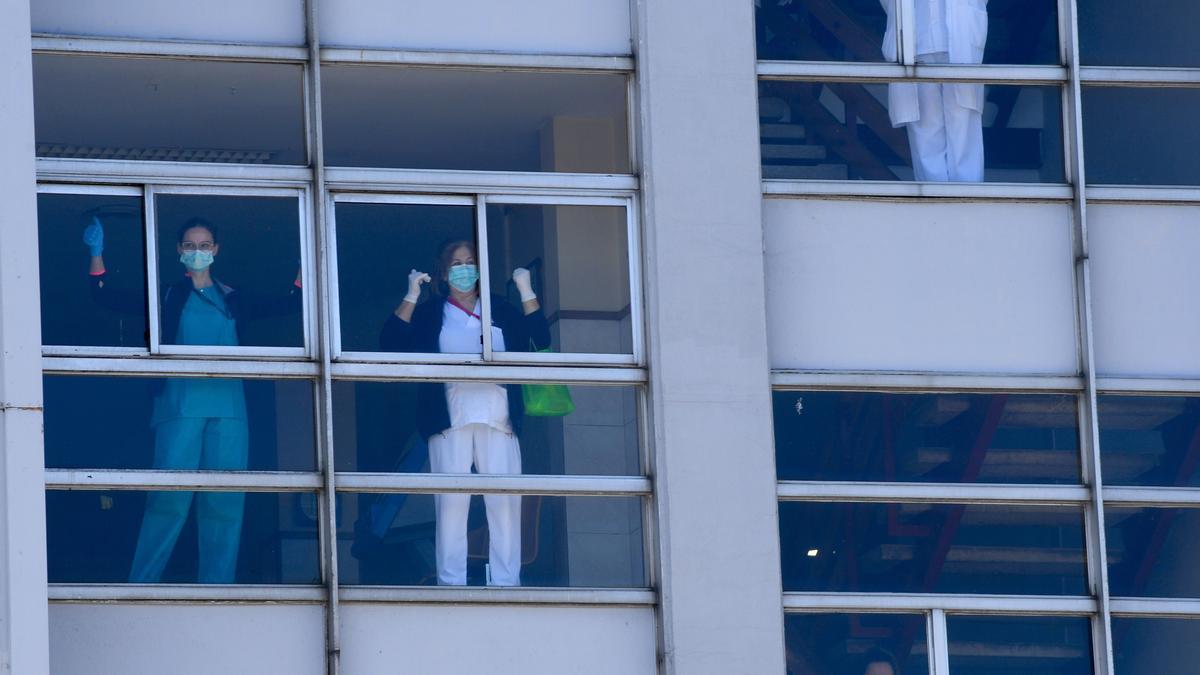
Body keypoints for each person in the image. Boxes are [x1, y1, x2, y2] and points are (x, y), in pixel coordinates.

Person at [83, 216, 301, 582]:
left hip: (229, 410)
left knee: (225, 501)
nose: (197, 252)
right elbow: (104, 295)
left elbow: (288, 304)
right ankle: (141, 585)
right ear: (178, 251)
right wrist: (96, 253)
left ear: (215, 250)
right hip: (179, 406)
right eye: (189, 245)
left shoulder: (234, 298)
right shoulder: (168, 295)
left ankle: (219, 588)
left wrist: (306, 265)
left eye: (204, 245)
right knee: (168, 499)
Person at [379, 239, 550, 586]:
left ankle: (506, 584)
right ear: (444, 272)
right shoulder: (431, 312)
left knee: (503, 503)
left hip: (499, 419)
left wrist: (525, 289)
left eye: (470, 262)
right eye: (456, 263)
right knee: (451, 504)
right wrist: (412, 294)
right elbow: (390, 343)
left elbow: (540, 336)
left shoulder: (498, 308)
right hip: (449, 420)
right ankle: (451, 583)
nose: (464, 269)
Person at [880, 0, 988, 181]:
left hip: (960, 39)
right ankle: (932, 201)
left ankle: (969, 201)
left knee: (963, 127)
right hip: (915, 43)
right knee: (925, 132)